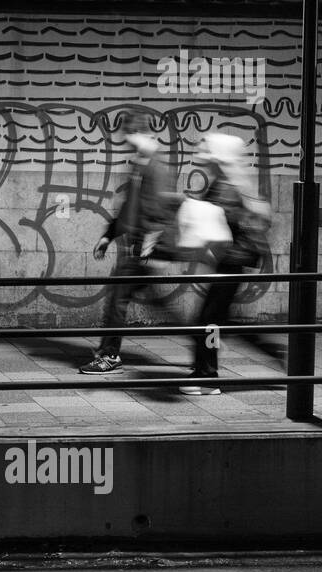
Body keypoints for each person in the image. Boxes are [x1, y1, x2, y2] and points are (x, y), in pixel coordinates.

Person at [80, 110, 184, 375]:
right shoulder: (142, 162)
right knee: (157, 305)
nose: (125, 140)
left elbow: (160, 208)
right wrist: (109, 235)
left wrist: (152, 246)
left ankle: (110, 355)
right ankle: (202, 341)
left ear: (137, 133)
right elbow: (131, 206)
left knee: (117, 299)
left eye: (127, 135)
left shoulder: (155, 165)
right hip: (141, 248)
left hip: (144, 249)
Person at [184, 133, 272, 396]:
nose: (205, 161)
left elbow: (223, 227)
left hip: (229, 263)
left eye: (209, 156)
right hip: (229, 263)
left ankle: (208, 377)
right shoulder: (226, 183)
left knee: (208, 321)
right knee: (214, 320)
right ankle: (205, 371)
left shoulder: (226, 188)